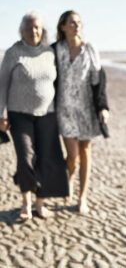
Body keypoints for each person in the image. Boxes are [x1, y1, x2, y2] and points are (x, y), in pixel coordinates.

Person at [0, 12, 69, 220]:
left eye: (37, 27)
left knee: (46, 158)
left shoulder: (49, 53)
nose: (34, 31)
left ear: (43, 30)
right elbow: (2, 85)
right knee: (25, 158)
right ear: (22, 31)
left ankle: (40, 203)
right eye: (29, 28)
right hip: (19, 114)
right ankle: (26, 203)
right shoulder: (14, 53)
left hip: (47, 114)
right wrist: (0, 114)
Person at [53, 10, 109, 214]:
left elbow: (99, 79)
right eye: (71, 22)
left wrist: (103, 107)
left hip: (86, 108)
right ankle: (67, 181)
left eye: (78, 22)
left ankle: (82, 197)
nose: (76, 25)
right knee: (72, 154)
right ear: (63, 26)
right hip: (64, 108)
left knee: (85, 152)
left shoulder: (89, 49)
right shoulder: (55, 50)